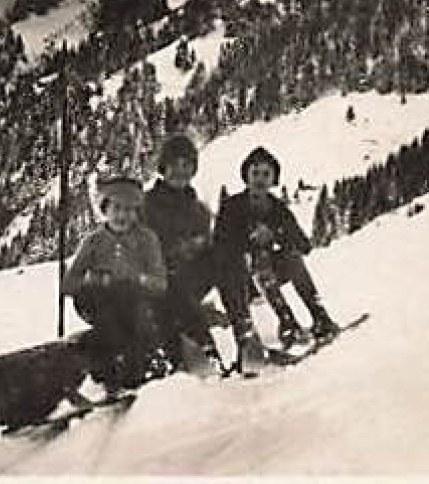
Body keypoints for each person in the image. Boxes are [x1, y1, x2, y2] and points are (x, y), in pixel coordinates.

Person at [214, 146, 339, 358]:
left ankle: (319, 315)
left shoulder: (279, 209)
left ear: (273, 179)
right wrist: (249, 242)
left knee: (291, 256)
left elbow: (303, 244)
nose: (260, 180)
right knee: (259, 259)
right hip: (241, 280)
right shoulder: (232, 207)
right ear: (246, 176)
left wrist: (275, 235)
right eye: (255, 173)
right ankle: (287, 321)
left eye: (266, 174)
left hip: (272, 273)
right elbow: (220, 245)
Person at [63, 176, 168, 389]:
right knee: (106, 315)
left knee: (134, 313)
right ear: (106, 209)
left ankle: (135, 367)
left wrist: (137, 277)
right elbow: (69, 284)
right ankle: (109, 369)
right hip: (97, 301)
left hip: (133, 301)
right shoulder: (94, 241)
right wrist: (94, 279)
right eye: (117, 208)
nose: (122, 215)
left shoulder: (146, 239)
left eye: (129, 210)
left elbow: (160, 283)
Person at [143, 132, 224, 371]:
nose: (180, 171)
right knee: (173, 288)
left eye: (186, 165)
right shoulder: (146, 205)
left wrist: (202, 245)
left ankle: (243, 329)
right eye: (173, 165)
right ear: (163, 167)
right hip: (157, 281)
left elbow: (207, 244)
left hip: (189, 278)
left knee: (224, 255)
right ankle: (200, 353)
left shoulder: (198, 209)